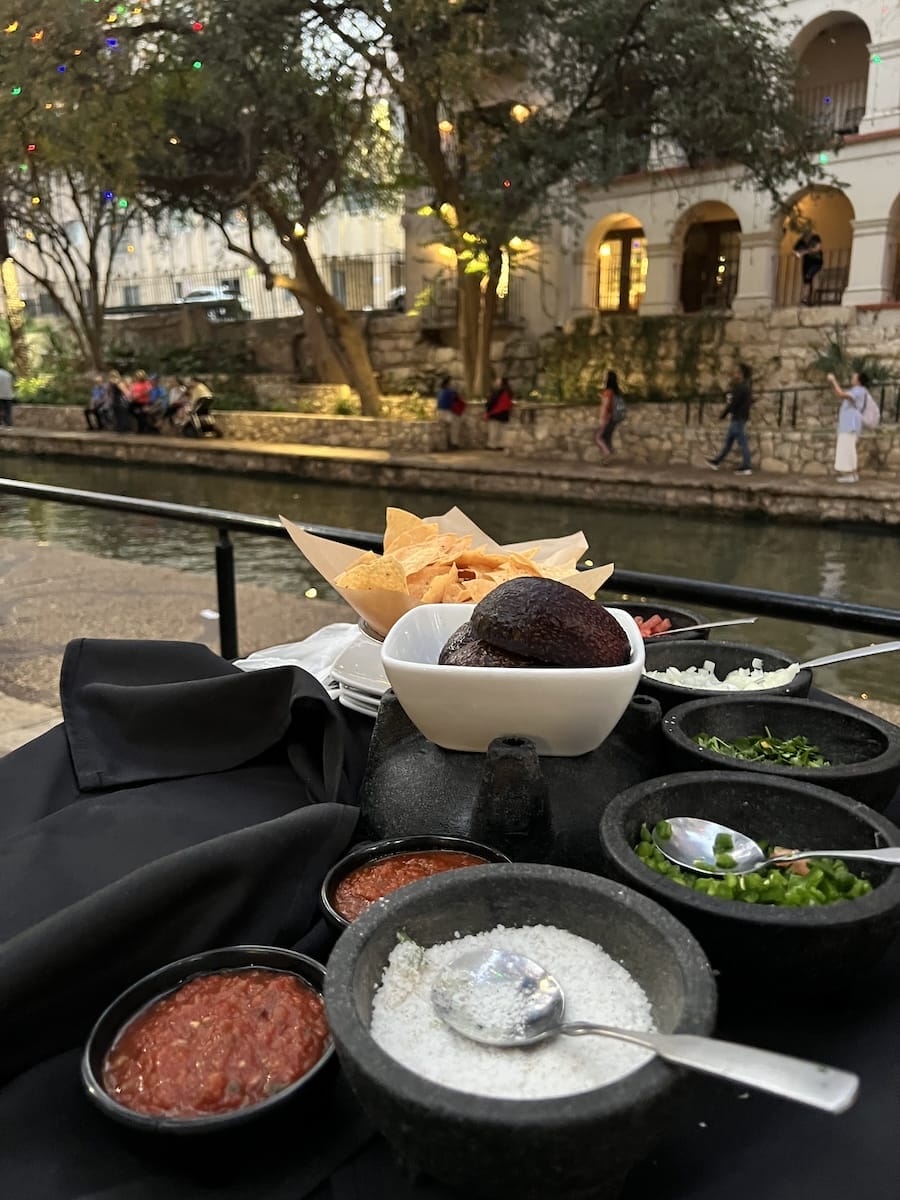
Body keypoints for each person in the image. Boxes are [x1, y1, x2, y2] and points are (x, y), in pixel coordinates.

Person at [706, 363, 753, 475]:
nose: (734, 374)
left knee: (742, 442)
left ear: (741, 374)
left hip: (738, 418)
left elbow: (733, 404)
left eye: (737, 372)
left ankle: (747, 466)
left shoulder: (741, 387)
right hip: (739, 418)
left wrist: (723, 415)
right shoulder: (746, 386)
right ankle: (716, 462)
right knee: (728, 442)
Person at [826, 368, 869, 483]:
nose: (852, 378)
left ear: (858, 381)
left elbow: (841, 394)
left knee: (848, 449)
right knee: (848, 449)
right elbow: (838, 393)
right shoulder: (856, 390)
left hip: (851, 425)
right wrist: (832, 383)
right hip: (848, 425)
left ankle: (851, 475)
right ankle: (852, 475)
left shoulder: (859, 390)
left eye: (854, 377)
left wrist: (834, 380)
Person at [594, 370, 625, 461]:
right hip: (613, 418)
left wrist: (601, 419)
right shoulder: (615, 392)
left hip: (607, 418)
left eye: (605, 377)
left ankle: (608, 452)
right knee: (606, 437)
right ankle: (607, 458)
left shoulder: (607, 392)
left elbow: (605, 406)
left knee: (597, 437)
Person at [794, 233, 823, 306]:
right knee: (807, 283)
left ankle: (811, 299)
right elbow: (797, 254)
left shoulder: (817, 250)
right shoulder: (805, 247)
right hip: (807, 268)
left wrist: (807, 251)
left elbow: (817, 251)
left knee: (814, 283)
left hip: (815, 267)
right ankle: (805, 299)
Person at [436, 375, 464, 449]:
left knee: (448, 426)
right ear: (448, 383)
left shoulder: (440, 391)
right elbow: (458, 398)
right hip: (446, 413)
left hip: (439, 413)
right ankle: (454, 443)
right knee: (456, 423)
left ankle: (447, 443)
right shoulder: (449, 391)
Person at [485, 375, 513, 450]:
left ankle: (492, 445)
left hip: (495, 413)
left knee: (494, 430)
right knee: (501, 430)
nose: (496, 382)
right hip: (504, 413)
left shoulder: (498, 391)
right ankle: (500, 444)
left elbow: (492, 402)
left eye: (498, 380)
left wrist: (487, 409)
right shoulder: (509, 391)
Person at [0, 361, 15, 428]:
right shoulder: (8, 374)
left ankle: (0, 424)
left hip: (0, 395)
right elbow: (12, 385)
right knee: (8, 411)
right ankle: (9, 425)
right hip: (8, 395)